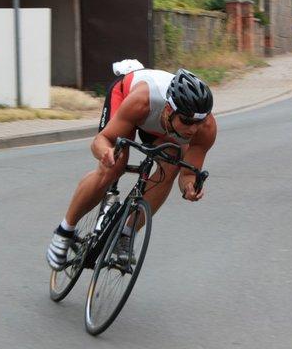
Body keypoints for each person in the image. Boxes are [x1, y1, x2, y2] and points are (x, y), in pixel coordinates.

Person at [46, 64, 217, 271]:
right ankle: (64, 231)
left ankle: (126, 234)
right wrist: (105, 152)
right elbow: (100, 141)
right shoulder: (141, 101)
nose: (194, 129)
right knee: (114, 166)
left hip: (161, 127)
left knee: (171, 166)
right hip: (130, 101)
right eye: (187, 121)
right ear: (169, 109)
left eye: (199, 121)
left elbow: (187, 173)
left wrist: (189, 187)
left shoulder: (205, 128)